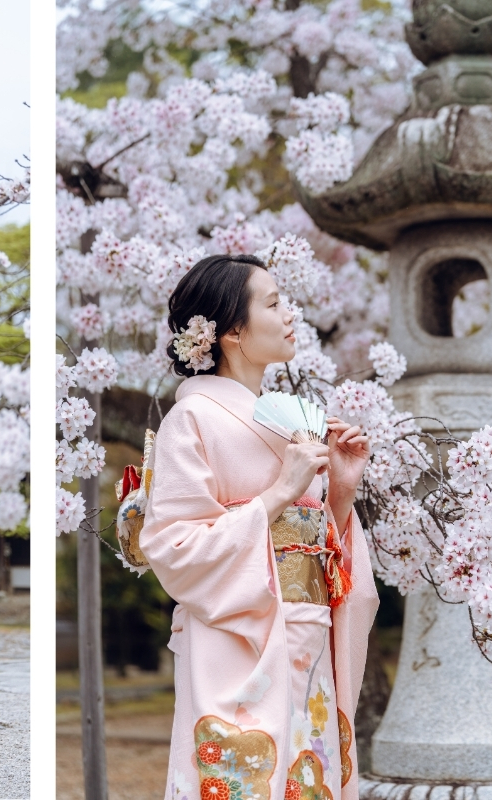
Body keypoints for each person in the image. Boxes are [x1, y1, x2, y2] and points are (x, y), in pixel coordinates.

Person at [138, 254, 380, 800]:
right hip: (238, 637)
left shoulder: (279, 418)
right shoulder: (192, 419)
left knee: (306, 777)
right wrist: (278, 493)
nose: (289, 313)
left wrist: (339, 491)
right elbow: (173, 546)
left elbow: (319, 546)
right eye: (272, 303)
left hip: (307, 634)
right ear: (231, 331)